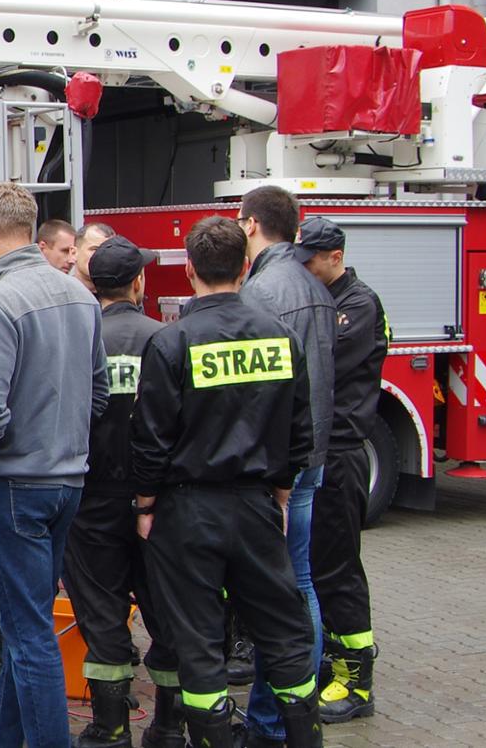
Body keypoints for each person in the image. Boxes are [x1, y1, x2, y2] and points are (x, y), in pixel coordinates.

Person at [130, 216, 322, 748]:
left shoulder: (172, 342)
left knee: (198, 640)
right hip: (257, 505)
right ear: (245, 267)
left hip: (186, 512)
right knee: (284, 633)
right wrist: (280, 491)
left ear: (189, 269)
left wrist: (145, 505)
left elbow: (151, 438)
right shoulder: (280, 336)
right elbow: (300, 429)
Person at [0, 183, 106, 748]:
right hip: (66, 481)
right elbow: (98, 393)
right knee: (29, 623)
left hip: (14, 485)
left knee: (28, 636)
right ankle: (0, 739)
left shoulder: (0, 303)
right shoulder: (80, 297)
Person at [61, 235, 185, 748]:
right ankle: (169, 728)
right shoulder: (167, 340)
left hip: (91, 501)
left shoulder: (77, 341)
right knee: (168, 614)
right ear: (139, 282)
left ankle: (110, 728)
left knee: (101, 614)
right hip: (158, 504)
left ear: (93, 284)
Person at [237, 186, 337, 746]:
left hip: (278, 468)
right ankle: (297, 710)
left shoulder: (263, 291)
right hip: (310, 453)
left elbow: (259, 390)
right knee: (301, 584)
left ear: (251, 225)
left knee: (278, 594)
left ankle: (272, 720)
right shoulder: (314, 285)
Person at [297, 216, 389, 724]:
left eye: (310, 260)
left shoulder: (358, 304)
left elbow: (321, 361)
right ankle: (329, 662)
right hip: (320, 452)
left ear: (336, 257)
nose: (303, 268)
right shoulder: (324, 298)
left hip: (341, 453)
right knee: (317, 566)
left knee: (338, 568)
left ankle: (356, 681)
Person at [71, 222, 117, 293]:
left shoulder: (121, 295)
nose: (101, 255)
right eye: (95, 249)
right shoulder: (60, 294)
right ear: (74, 253)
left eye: (108, 250)